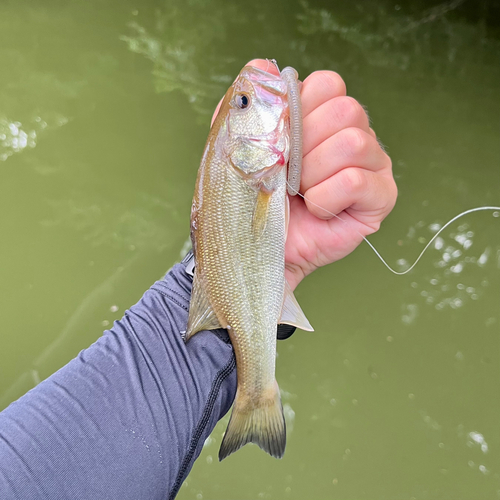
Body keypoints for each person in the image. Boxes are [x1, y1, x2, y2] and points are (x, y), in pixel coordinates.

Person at [0, 60, 396, 500]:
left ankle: (256, 389)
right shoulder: (245, 167)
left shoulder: (251, 167)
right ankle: (257, 394)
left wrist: (260, 274)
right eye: (244, 104)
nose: (251, 98)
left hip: (243, 274)